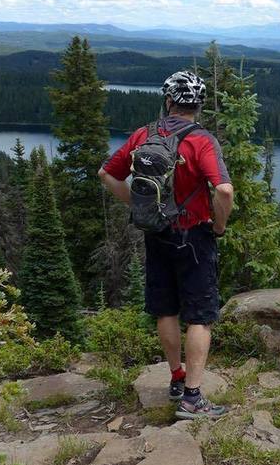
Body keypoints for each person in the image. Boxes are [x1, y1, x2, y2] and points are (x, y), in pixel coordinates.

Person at [99, 70, 234, 419]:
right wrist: (219, 226)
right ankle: (192, 397)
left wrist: (139, 205)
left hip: (156, 232)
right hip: (194, 237)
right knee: (200, 317)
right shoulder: (201, 140)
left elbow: (107, 174)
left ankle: (176, 377)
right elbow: (223, 190)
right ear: (198, 105)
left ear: (169, 100)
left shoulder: (145, 134)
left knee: (166, 309)